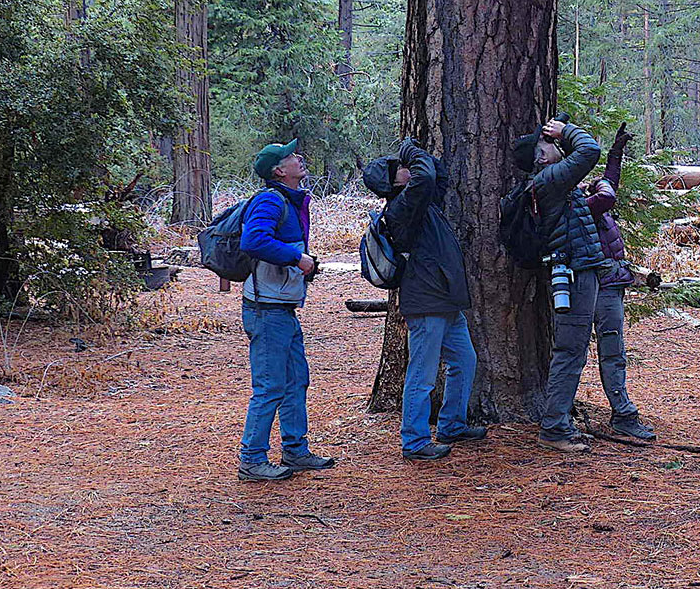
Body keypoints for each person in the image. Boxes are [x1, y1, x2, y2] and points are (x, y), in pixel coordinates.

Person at [363, 138, 482, 461]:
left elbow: (438, 176)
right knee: (422, 374)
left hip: (444, 300)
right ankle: (414, 441)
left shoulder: (422, 203)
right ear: (392, 181)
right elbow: (427, 177)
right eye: (400, 168)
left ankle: (451, 425)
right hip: (427, 301)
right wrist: (411, 153)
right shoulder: (402, 209)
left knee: (464, 361)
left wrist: (419, 152)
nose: (407, 169)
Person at [237, 139, 336, 481]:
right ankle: (251, 459)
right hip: (266, 311)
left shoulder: (291, 202)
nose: (300, 158)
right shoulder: (269, 199)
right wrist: (297, 257)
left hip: (283, 310)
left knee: (296, 381)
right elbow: (253, 241)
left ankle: (295, 450)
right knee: (270, 387)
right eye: (293, 156)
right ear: (279, 171)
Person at [510, 117, 605, 453]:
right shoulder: (550, 179)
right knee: (570, 351)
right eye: (548, 142)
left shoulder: (550, 180)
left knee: (571, 350)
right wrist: (567, 132)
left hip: (578, 269)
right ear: (541, 157)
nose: (554, 144)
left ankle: (559, 422)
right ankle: (553, 428)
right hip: (575, 272)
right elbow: (590, 150)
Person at [582, 124, 656, 441]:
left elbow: (609, 184)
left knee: (612, 350)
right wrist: (599, 183)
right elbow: (607, 195)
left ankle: (621, 413)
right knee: (608, 351)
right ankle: (623, 414)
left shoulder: (589, 199)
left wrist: (616, 154)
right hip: (597, 288)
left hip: (609, 284)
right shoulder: (583, 206)